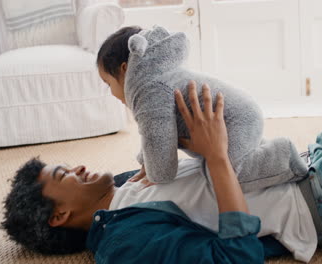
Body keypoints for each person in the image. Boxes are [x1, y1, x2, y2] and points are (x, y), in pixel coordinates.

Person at [0, 15, 322, 262]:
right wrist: (217, 156)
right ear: (58, 215)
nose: (78, 166)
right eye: (63, 174)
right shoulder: (123, 244)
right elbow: (233, 257)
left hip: (308, 159)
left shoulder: (126, 183)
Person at [96, 25, 308, 192]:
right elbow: (153, 135)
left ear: (124, 70)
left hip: (236, 120)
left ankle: (284, 156)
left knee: (227, 179)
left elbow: (159, 147)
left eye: (108, 84)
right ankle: (261, 149)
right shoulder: (157, 80)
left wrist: (156, 174)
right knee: (228, 164)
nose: (112, 93)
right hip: (240, 115)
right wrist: (146, 163)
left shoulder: (150, 90)